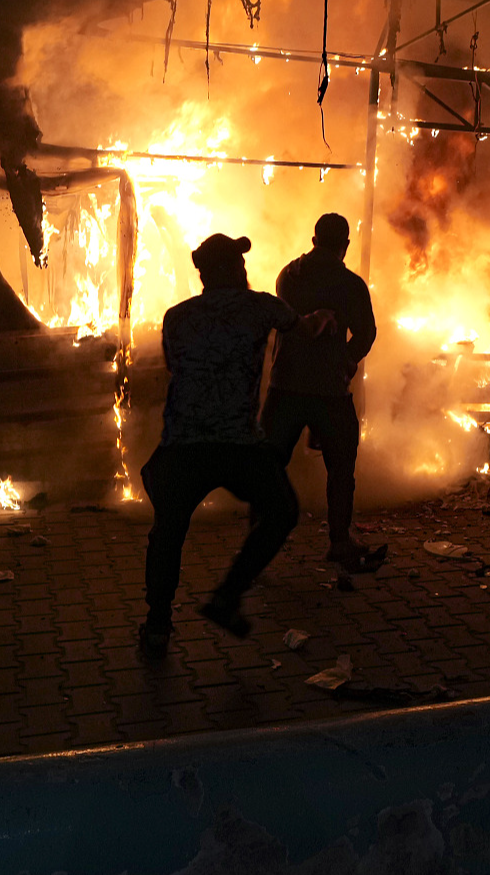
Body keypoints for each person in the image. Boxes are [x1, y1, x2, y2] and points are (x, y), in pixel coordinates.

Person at [137, 234, 329, 661]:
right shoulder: (261, 306)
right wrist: (323, 317)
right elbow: (304, 328)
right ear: (233, 271)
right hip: (238, 444)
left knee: (168, 533)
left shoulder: (176, 317)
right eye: (240, 265)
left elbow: (176, 367)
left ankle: (157, 625)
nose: (246, 271)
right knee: (281, 512)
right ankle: (228, 594)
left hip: (183, 445)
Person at [264, 214, 382, 574]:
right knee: (342, 467)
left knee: (269, 466)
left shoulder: (289, 275)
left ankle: (262, 545)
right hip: (329, 390)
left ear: (314, 239)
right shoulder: (350, 284)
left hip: (285, 387)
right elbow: (367, 333)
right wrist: (346, 360)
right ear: (345, 245)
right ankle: (339, 541)